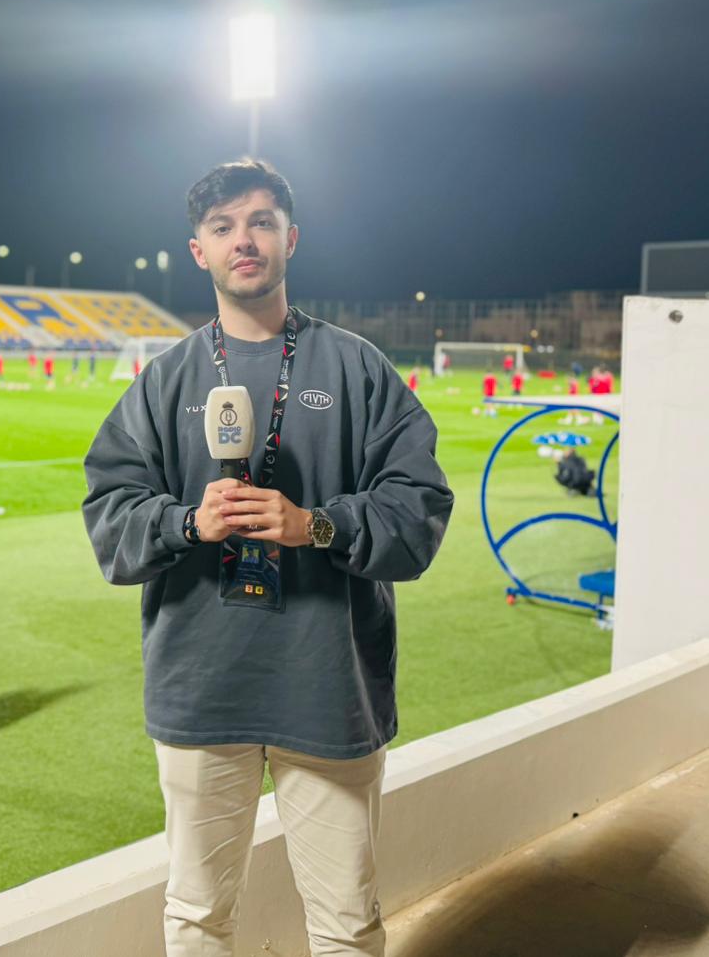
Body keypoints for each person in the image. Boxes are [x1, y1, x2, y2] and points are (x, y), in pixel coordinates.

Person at [83, 159, 453, 957]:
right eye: (222, 227)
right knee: (197, 919)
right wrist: (188, 522)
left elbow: (419, 511)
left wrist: (314, 525)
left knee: (347, 926)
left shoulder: (358, 369)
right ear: (199, 251)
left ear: (291, 237)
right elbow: (108, 519)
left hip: (327, 689)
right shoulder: (163, 382)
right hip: (199, 691)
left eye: (258, 221)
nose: (242, 239)